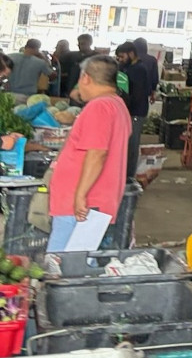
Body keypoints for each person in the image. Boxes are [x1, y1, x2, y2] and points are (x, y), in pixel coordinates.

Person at [46, 56, 131, 252]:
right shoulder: (118, 105)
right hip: (94, 202)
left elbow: (97, 153)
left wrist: (80, 195)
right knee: (79, 265)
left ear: (85, 78)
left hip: (81, 206)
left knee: (62, 268)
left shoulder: (99, 106)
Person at [115, 42, 150, 182]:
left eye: (122, 57)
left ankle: (128, 178)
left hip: (135, 112)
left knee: (131, 146)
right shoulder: (127, 68)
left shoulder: (139, 69)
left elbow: (138, 94)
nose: (120, 60)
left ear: (131, 53)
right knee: (125, 145)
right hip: (127, 111)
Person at [58, 33, 93, 98]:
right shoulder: (71, 56)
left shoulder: (96, 57)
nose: (80, 46)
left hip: (89, 88)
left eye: (83, 44)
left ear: (90, 43)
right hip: (71, 87)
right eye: (78, 44)